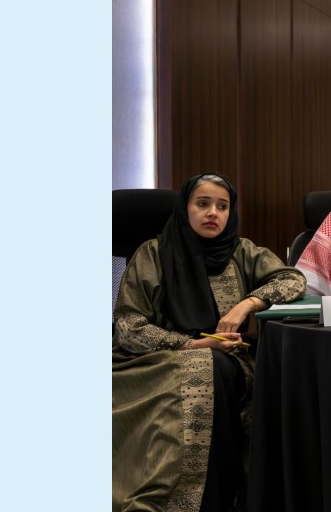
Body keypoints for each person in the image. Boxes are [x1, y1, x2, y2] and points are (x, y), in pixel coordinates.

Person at [112, 173, 306, 512]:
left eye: (222, 206)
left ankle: (220, 497)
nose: (213, 213)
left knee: (219, 367)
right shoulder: (153, 254)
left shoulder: (242, 252)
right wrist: (193, 346)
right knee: (209, 366)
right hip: (153, 360)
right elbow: (129, 327)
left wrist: (247, 304)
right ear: (185, 208)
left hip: (229, 357)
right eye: (202, 204)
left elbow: (293, 280)